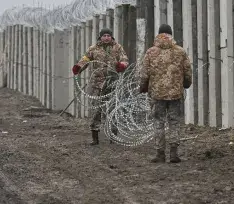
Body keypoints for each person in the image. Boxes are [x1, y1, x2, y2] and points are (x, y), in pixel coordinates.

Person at [138, 24, 192, 163]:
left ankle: (160, 153)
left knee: (158, 122)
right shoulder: (180, 51)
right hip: (175, 93)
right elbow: (187, 70)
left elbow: (144, 73)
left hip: (157, 94)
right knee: (174, 122)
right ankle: (174, 153)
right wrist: (186, 84)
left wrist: (143, 87)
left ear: (159, 34)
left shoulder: (151, 52)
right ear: (170, 34)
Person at [72, 28, 129, 145]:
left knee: (113, 109)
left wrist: (121, 65)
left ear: (111, 37)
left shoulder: (117, 48)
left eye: (108, 35)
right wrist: (78, 68)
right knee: (96, 110)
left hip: (112, 82)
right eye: (104, 36)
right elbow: (85, 60)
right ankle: (95, 137)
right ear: (100, 37)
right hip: (97, 84)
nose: (106, 37)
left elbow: (124, 59)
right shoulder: (93, 49)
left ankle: (113, 136)